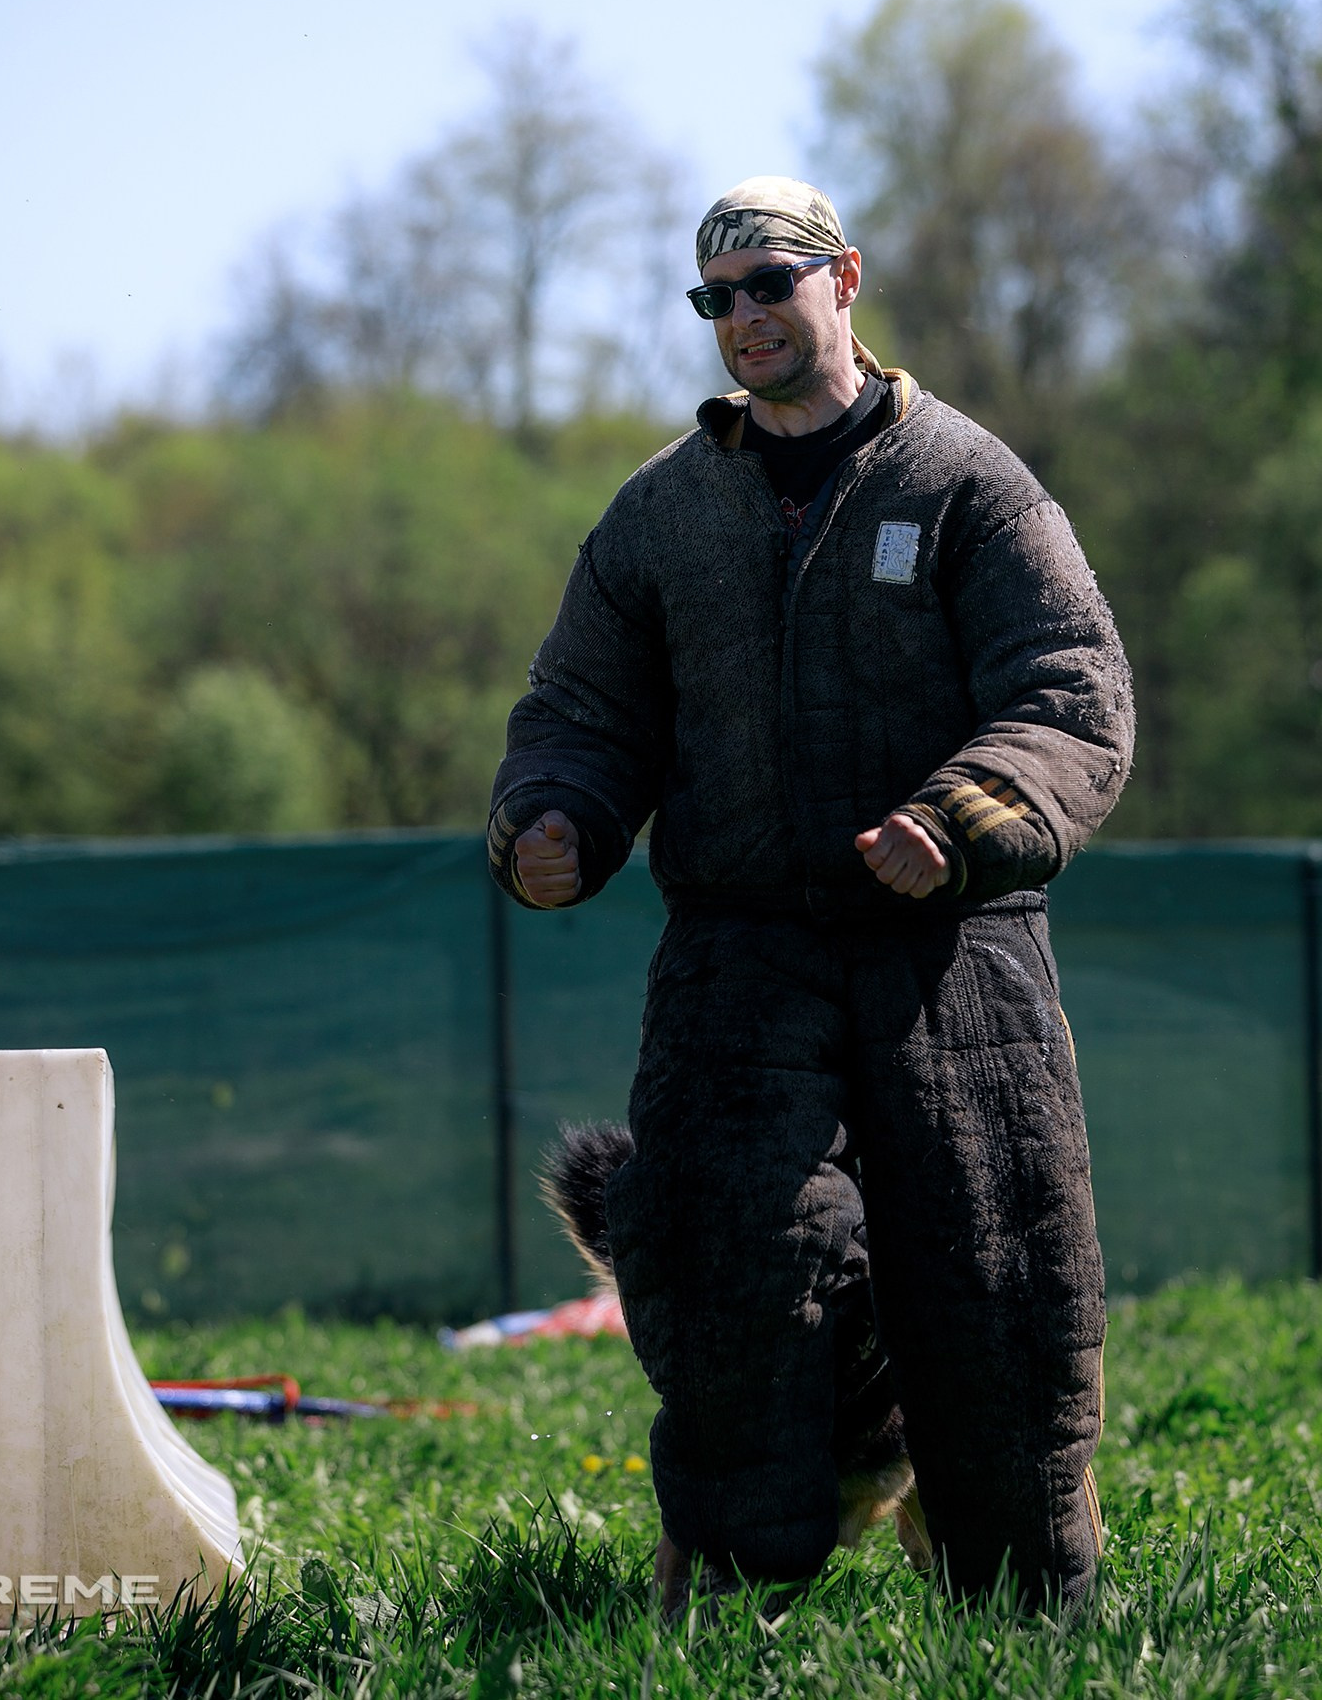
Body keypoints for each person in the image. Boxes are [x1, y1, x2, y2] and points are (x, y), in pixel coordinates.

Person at [485, 177, 1133, 1611]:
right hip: (738, 956)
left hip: (953, 954)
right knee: (728, 1273)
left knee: (996, 1272)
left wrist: (964, 815)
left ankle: (1031, 1605)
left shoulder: (968, 480)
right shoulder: (658, 516)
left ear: (844, 277)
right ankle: (721, 1598)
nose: (743, 318)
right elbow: (582, 711)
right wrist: (555, 818)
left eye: (770, 284)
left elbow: (1072, 691)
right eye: (715, 299)